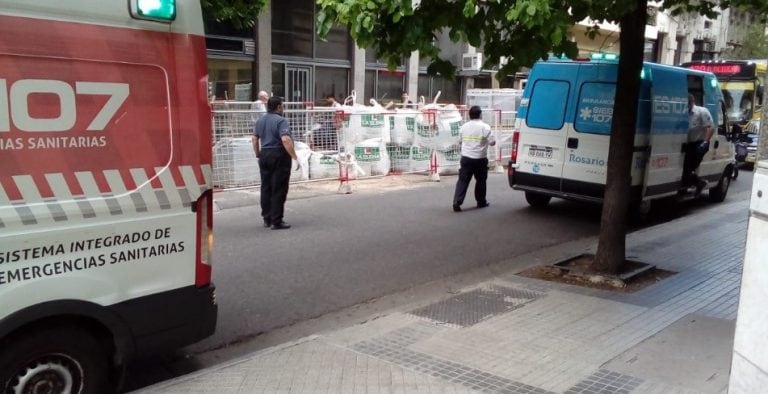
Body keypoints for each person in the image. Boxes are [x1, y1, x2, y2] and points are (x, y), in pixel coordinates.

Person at [252, 97, 300, 230]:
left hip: (264, 155)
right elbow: (285, 139)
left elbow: (255, 140)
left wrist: (258, 154)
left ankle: (266, 218)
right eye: (282, 106)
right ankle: (276, 220)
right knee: (279, 188)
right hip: (279, 155)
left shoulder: (260, 121)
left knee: (266, 187)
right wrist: (294, 156)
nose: (283, 108)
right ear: (279, 107)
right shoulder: (281, 120)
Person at [452, 105, 496, 212]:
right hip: (480, 158)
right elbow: (492, 142)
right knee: (481, 181)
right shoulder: (485, 127)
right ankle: (481, 201)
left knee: (463, 180)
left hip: (466, 158)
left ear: (469, 115)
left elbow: (459, 141)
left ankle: (457, 201)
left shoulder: (464, 127)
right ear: (480, 115)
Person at [683, 93, 714, 196]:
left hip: (700, 143)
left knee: (689, 167)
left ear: (692, 102)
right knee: (685, 168)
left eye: (688, 103)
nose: (687, 105)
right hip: (689, 144)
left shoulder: (701, 111)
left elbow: (710, 127)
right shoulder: (684, 112)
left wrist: (705, 142)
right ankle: (699, 183)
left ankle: (697, 184)